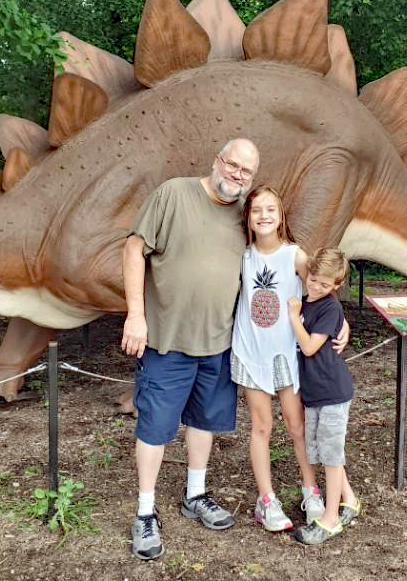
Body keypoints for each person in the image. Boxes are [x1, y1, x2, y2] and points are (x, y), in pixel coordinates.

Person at [120, 138, 260, 561]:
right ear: (217, 160)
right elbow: (134, 247)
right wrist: (135, 315)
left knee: (204, 421)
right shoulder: (174, 193)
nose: (237, 175)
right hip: (167, 340)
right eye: (232, 165)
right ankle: (145, 511)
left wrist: (329, 310)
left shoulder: (247, 214)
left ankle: (195, 494)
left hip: (218, 341)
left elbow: (284, 258)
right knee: (155, 426)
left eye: (246, 171)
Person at [230, 186, 325, 532]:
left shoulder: (294, 256)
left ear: (281, 215)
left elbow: (320, 288)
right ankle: (266, 499)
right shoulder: (242, 257)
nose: (264, 215)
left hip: (286, 352)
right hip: (251, 349)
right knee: (261, 426)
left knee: (297, 425)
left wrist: (339, 323)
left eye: (271, 209)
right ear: (248, 218)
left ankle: (311, 490)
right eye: (257, 210)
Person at [287, 248, 361, 545]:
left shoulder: (329, 308)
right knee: (321, 450)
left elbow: (308, 347)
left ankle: (330, 520)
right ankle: (350, 500)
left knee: (331, 456)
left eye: (325, 284)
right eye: (313, 279)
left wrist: (294, 317)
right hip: (314, 393)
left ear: (337, 285)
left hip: (331, 391)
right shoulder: (307, 300)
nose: (316, 287)